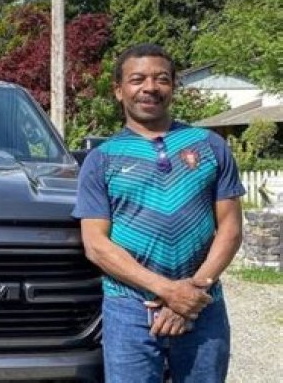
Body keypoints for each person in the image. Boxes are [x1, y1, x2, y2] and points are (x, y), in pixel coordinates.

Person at [73, 43, 245, 383]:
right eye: (137, 79)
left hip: (202, 305)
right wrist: (169, 292)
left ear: (173, 86)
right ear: (119, 90)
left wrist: (191, 295)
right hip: (129, 310)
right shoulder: (101, 159)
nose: (150, 87)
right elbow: (96, 244)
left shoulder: (210, 145)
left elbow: (230, 229)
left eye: (161, 79)